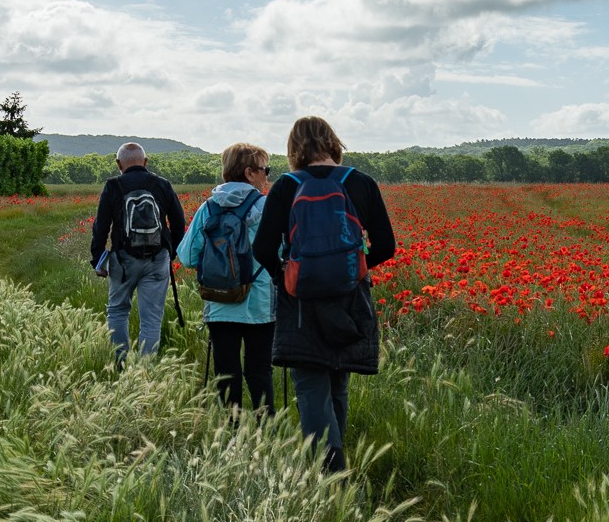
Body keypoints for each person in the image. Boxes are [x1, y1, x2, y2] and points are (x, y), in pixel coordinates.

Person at [253, 116, 396, 474]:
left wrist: (285, 275)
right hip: (351, 297)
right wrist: (354, 269)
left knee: (310, 382)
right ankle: (335, 465)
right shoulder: (361, 183)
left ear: (294, 149)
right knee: (337, 378)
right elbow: (387, 246)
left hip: (301, 300)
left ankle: (330, 473)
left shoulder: (286, 187)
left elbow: (262, 248)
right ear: (333, 142)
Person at [178, 142, 277, 417]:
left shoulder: (209, 208)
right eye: (264, 169)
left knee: (226, 372)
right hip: (259, 303)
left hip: (219, 301)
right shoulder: (268, 207)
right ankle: (266, 432)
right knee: (259, 371)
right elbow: (284, 253)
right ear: (249, 173)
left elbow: (186, 256)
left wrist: (219, 268)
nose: (267, 176)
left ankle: (232, 434)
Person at [89, 142, 187, 365]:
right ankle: (145, 373)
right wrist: (171, 253)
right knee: (151, 320)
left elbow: (100, 226)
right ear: (145, 161)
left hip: (122, 261)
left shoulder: (113, 186)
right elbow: (179, 222)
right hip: (157, 259)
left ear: (118, 164)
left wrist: (98, 259)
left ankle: (120, 364)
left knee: (117, 311)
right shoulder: (162, 185)